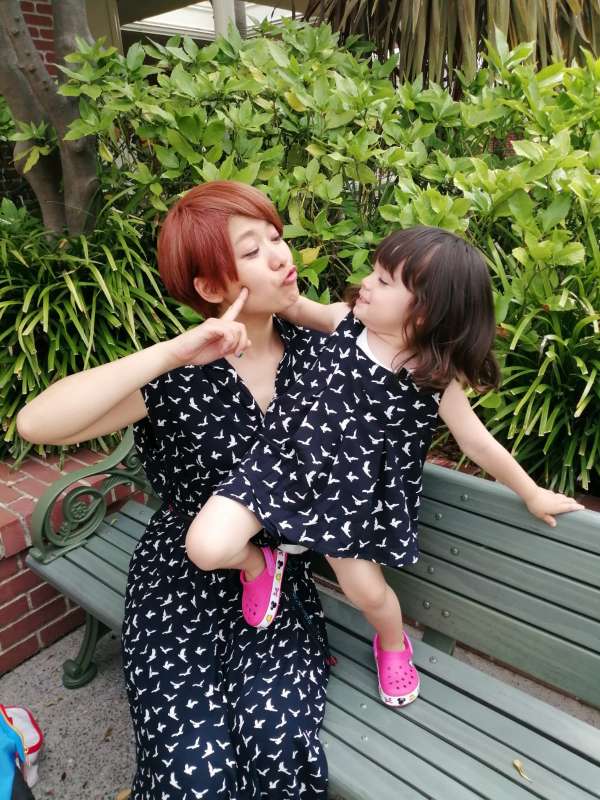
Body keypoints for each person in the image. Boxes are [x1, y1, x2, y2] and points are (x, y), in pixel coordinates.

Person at [16, 181, 332, 798]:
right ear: (211, 288)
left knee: (277, 751)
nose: (279, 255)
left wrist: (312, 313)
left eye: (276, 237)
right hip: (176, 586)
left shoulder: (319, 359)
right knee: (193, 773)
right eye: (252, 250)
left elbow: (411, 353)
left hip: (273, 587)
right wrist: (173, 352)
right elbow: (37, 423)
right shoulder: (182, 373)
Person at [184, 225, 584, 709]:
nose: (366, 284)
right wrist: (234, 304)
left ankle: (392, 645)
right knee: (205, 547)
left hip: (346, 502)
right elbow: (289, 305)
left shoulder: (432, 379)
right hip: (283, 464)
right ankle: (259, 564)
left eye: (385, 280)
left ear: (426, 311)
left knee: (369, 594)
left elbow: (476, 443)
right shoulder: (342, 322)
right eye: (373, 272)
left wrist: (532, 492)